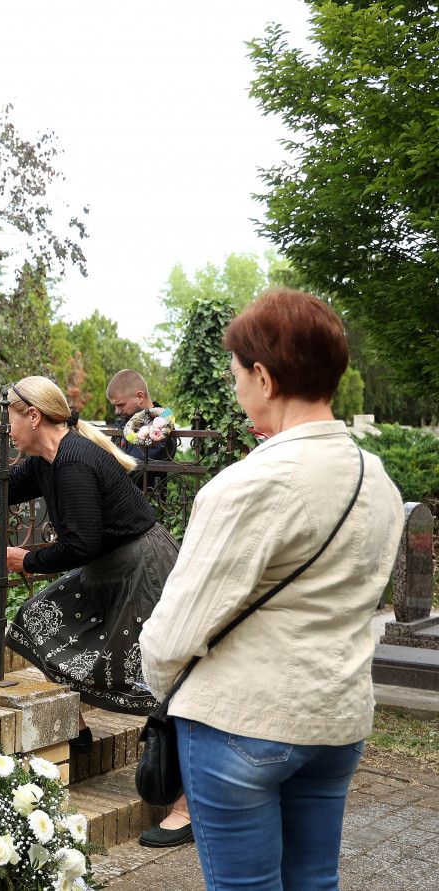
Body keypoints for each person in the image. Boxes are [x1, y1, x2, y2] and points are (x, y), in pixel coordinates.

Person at [140, 288, 404, 890]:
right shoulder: (377, 480)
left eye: (237, 374)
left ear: (263, 377)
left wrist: (165, 694)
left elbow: (174, 633)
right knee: (315, 882)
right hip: (336, 719)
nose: (236, 388)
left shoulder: (251, 483)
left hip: (242, 723)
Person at [0, 375, 193, 845]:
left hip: (141, 569)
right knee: (37, 623)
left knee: (167, 681)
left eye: (10, 416)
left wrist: (26, 560)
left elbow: (80, 544)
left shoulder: (72, 461)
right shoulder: (47, 460)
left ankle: (187, 807)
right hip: (107, 569)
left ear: (33, 416)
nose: (7, 427)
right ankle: (79, 726)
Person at [107, 369, 175, 493]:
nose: (117, 411)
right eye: (115, 406)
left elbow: (134, 470)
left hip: (149, 501)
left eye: (121, 405)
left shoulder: (163, 422)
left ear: (140, 396)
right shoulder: (125, 422)